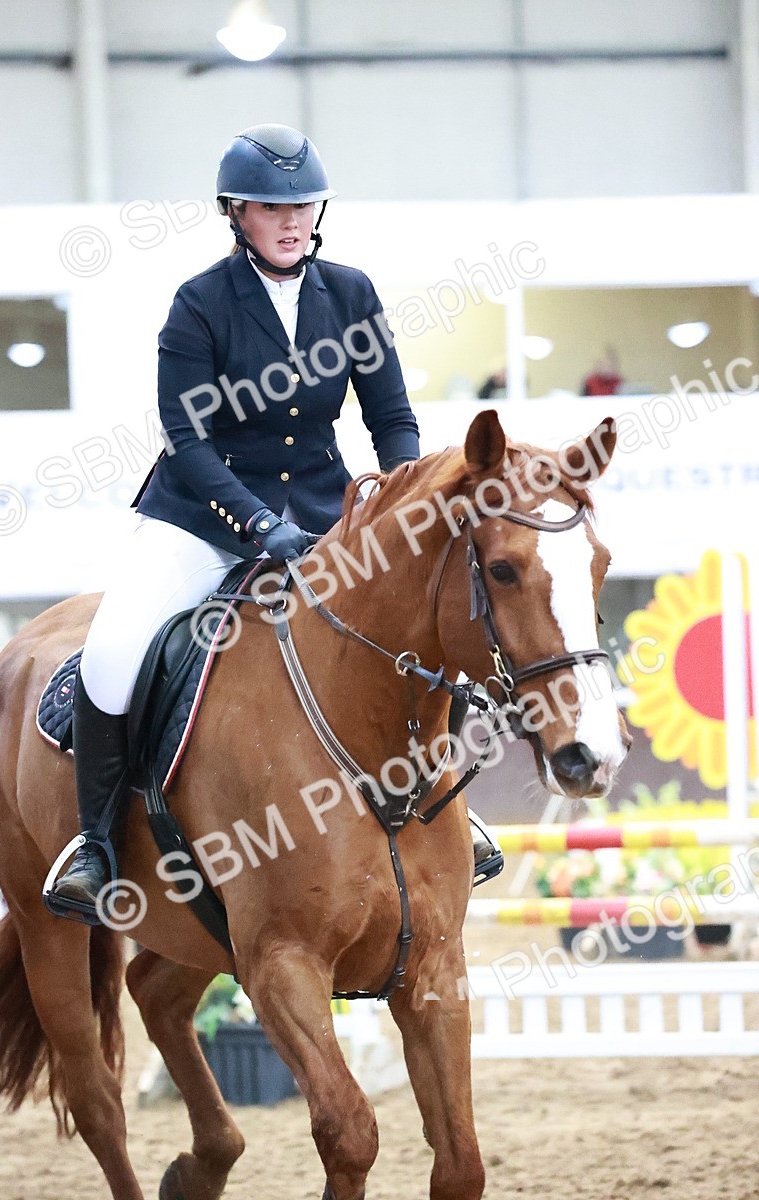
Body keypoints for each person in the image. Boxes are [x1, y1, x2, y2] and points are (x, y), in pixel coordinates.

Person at [49, 123, 498, 916]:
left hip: (326, 510)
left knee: (428, 619)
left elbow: (391, 414)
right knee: (114, 651)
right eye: (271, 206)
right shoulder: (200, 303)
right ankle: (96, 844)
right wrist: (257, 524)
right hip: (202, 515)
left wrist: (396, 502)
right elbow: (186, 437)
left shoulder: (351, 293)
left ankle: (453, 810)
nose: (292, 220)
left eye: (304, 205)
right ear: (235, 213)